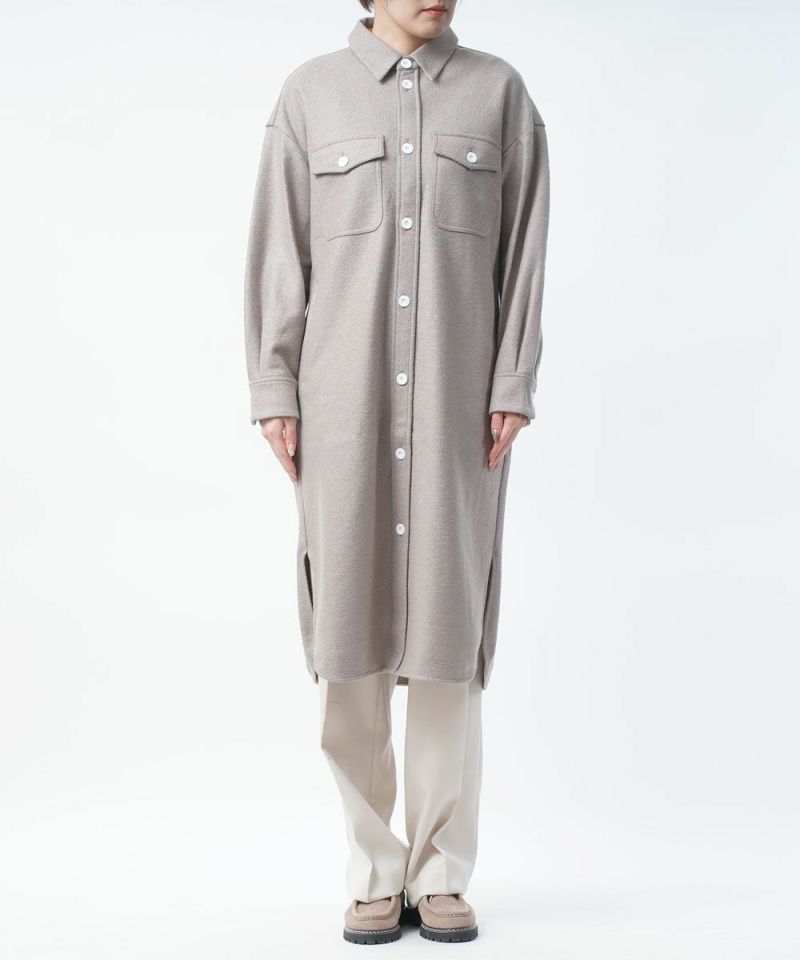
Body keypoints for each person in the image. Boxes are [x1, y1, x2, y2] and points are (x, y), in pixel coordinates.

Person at [244, 0, 549, 945]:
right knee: (348, 632)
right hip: (344, 407)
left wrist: (513, 378)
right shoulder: (310, 96)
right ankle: (375, 870)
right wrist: (274, 386)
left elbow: (524, 250)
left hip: (461, 409)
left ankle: (442, 871)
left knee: (450, 638)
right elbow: (280, 250)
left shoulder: (500, 94)